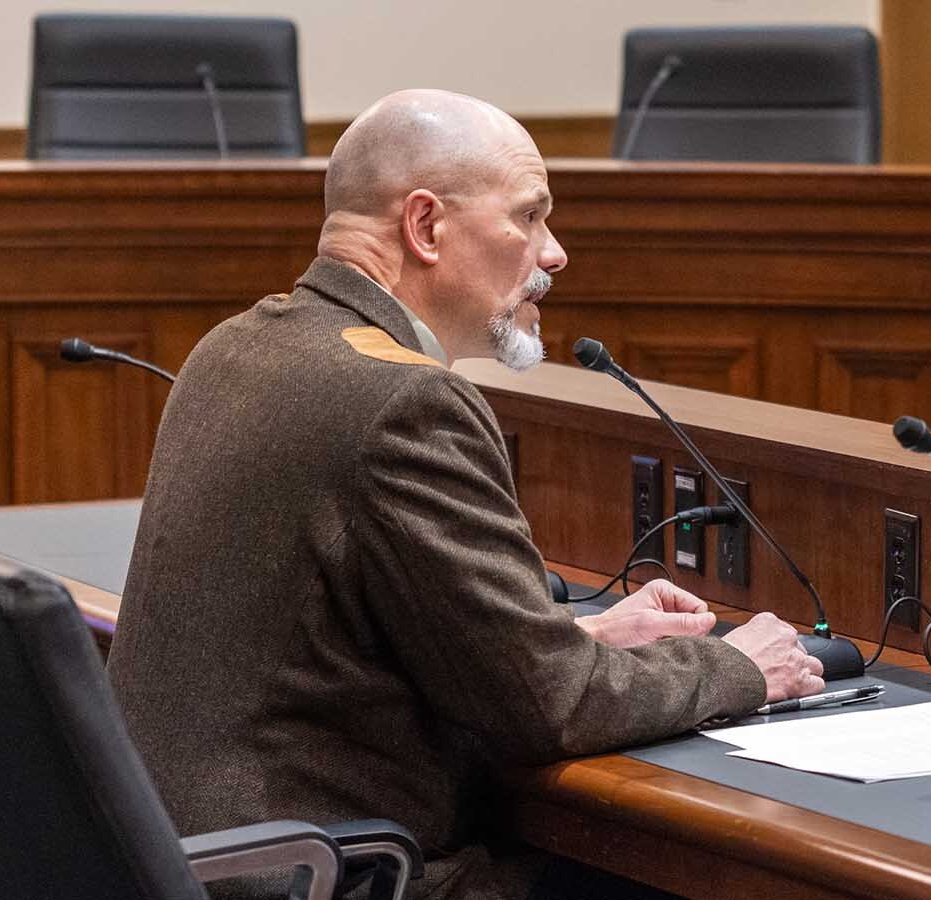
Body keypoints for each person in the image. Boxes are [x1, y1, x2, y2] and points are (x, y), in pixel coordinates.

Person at [106, 89, 824, 899]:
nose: (553, 255)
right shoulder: (404, 403)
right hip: (334, 875)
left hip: (188, 860)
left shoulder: (232, 349)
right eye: (528, 218)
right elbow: (548, 707)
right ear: (425, 227)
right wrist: (733, 666)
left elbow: (371, 640)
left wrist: (574, 635)